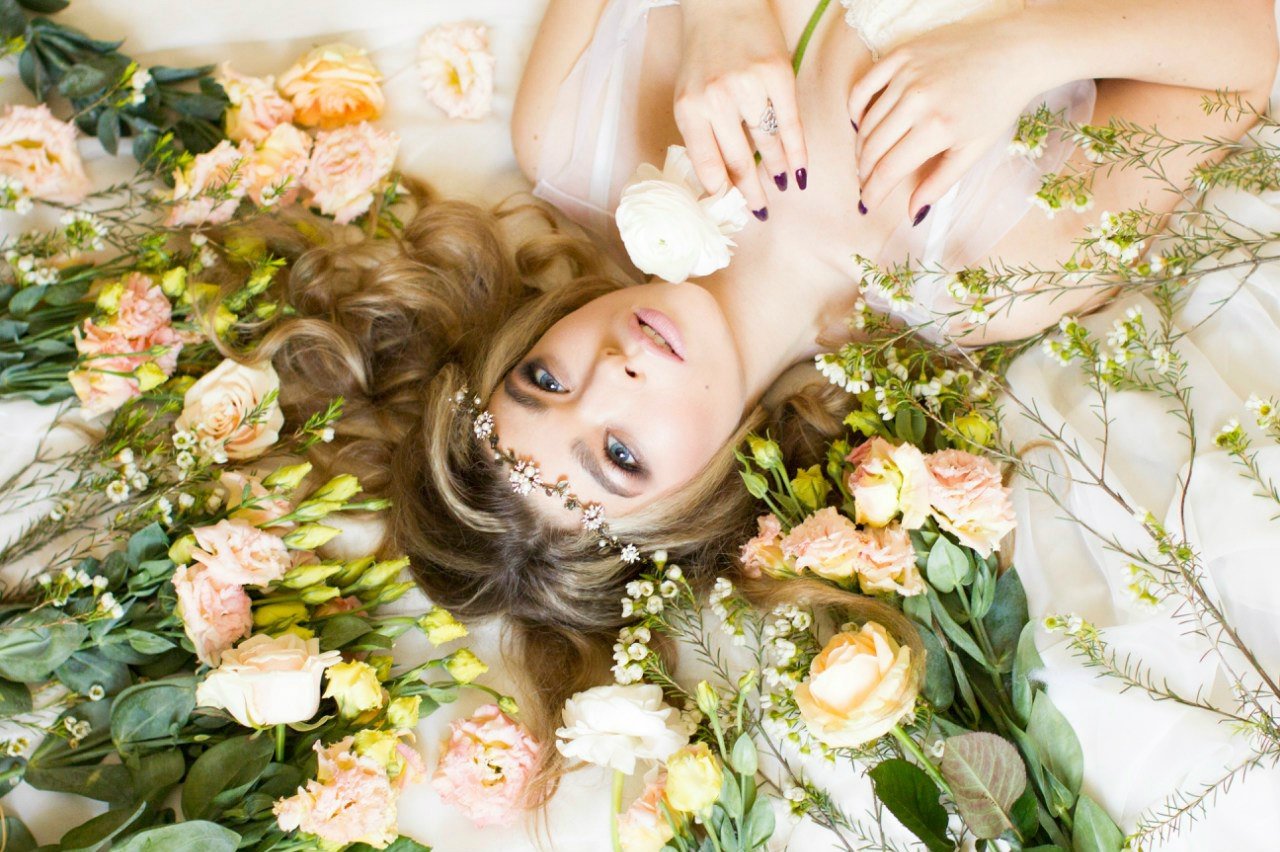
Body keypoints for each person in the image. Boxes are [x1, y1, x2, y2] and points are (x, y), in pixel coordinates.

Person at [240, 0, 1276, 807]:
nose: (609, 372)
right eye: (618, 454)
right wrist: (1020, 46)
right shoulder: (987, 275)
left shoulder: (569, 129)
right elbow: (1244, 43)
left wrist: (721, 15)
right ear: (691, 502)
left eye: (542, 382)